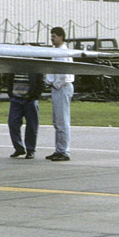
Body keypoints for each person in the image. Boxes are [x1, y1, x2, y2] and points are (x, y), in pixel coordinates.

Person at [46, 26, 73, 161]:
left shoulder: (63, 52)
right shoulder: (56, 51)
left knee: (62, 121)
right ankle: (59, 149)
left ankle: (64, 151)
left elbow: (62, 73)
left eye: (54, 36)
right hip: (57, 87)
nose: (52, 38)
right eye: (51, 35)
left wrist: (55, 84)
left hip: (62, 87)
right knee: (57, 121)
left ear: (61, 37)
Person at [5, 68, 43, 159]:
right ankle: (19, 148)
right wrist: (10, 93)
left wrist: (35, 96)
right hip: (16, 98)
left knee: (32, 126)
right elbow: (8, 79)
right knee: (13, 123)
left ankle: (30, 150)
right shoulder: (14, 65)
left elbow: (41, 82)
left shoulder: (35, 65)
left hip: (30, 100)